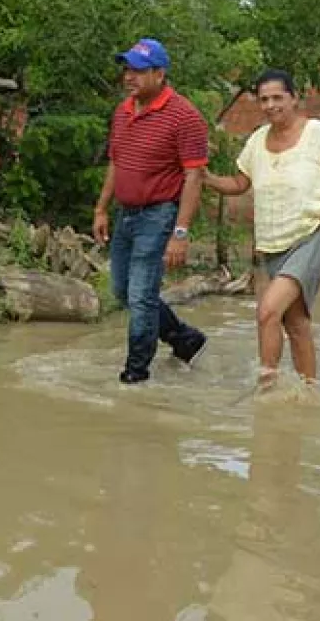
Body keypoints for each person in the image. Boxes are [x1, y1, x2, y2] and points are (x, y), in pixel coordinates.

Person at [205, 70, 320, 388]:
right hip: (273, 243)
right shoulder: (257, 140)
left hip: (316, 233)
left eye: (277, 97)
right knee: (295, 322)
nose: (270, 105)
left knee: (267, 310)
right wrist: (207, 178)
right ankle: (308, 393)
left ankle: (266, 390)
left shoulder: (318, 133)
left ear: (294, 98)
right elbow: (240, 183)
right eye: (264, 99)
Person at [92, 38, 209, 385]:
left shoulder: (185, 116)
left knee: (141, 296)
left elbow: (194, 176)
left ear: (160, 74)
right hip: (125, 214)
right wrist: (101, 208)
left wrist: (181, 232)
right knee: (122, 292)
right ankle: (182, 337)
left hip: (158, 215)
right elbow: (117, 162)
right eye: (127, 69)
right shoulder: (124, 111)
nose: (129, 77)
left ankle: (136, 373)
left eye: (138, 71)